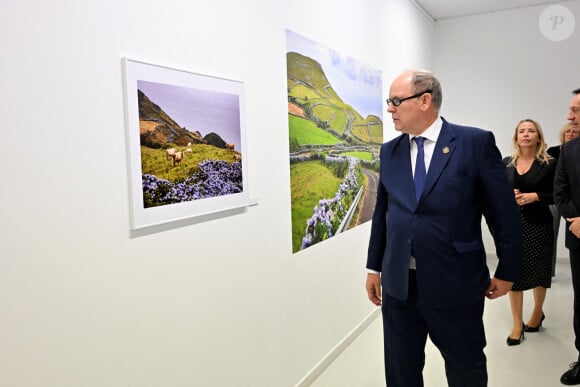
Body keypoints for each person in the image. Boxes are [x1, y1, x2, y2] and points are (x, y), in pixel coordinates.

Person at [365, 69, 522, 387]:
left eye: (396, 101)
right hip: (399, 286)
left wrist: (508, 270)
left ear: (424, 101)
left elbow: (503, 214)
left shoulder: (474, 143)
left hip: (456, 282)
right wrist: (373, 267)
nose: (390, 108)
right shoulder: (389, 152)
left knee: (466, 368)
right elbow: (384, 213)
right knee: (401, 371)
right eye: (389, 101)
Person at [502, 119, 556, 346]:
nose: (526, 134)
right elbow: (495, 191)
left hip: (539, 223)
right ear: (516, 137)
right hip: (513, 225)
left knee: (539, 271)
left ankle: (537, 313)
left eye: (531, 130)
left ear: (538, 136)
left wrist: (537, 196)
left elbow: (558, 193)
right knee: (513, 274)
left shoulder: (549, 163)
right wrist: (508, 194)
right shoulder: (506, 163)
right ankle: (517, 323)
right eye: (522, 131)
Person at [555, 88, 580, 385]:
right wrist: (576, 218)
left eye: (575, 110)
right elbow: (561, 192)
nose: (568, 116)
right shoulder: (569, 150)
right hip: (578, 239)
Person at [547, 123, 579, 276]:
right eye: (568, 131)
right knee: (551, 236)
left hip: (572, 202)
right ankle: (549, 271)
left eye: (574, 131)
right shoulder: (553, 151)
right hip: (557, 199)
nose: (570, 134)